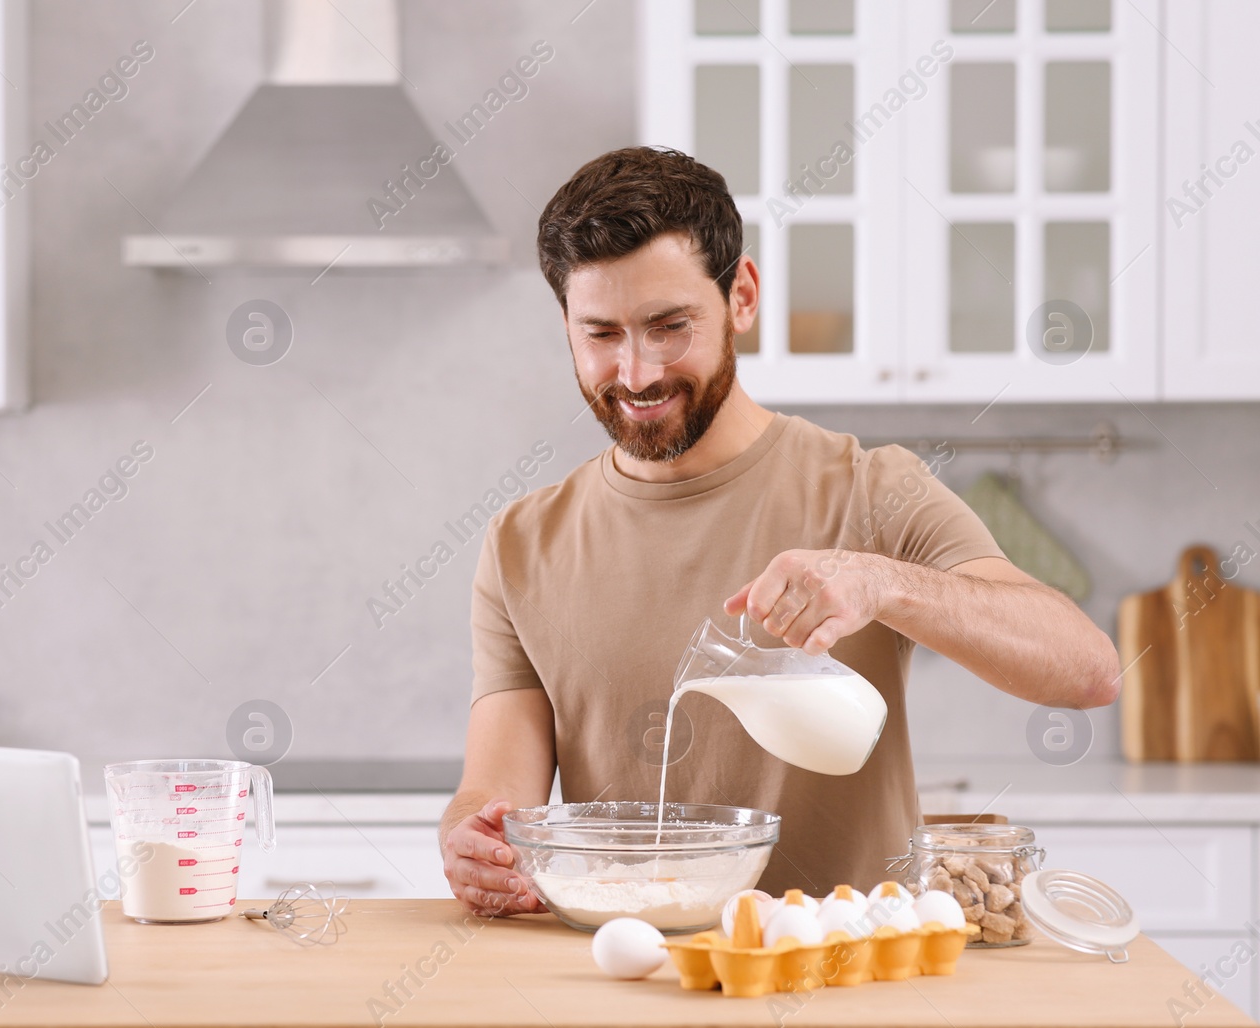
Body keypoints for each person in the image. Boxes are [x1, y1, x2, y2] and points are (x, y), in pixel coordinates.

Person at [438, 147, 1122, 915]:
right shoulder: (523, 544)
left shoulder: (871, 489)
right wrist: (473, 840)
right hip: (627, 988)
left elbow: (1087, 669)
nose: (634, 373)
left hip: (849, 985)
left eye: (669, 327)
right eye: (601, 334)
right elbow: (495, 792)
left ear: (743, 297)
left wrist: (886, 581)